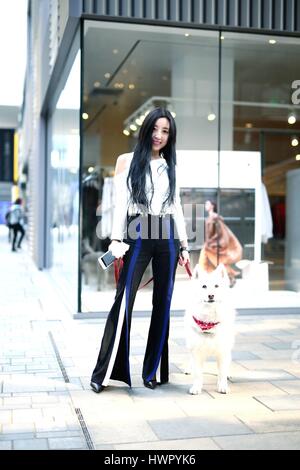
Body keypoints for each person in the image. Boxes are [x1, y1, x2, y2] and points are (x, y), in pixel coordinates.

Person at [90, 107, 190, 393]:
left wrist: (184, 244)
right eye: (156, 129)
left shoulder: (172, 167)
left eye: (165, 131)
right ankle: (106, 374)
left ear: (170, 136)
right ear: (145, 129)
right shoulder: (127, 161)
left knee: (163, 302)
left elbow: (177, 207)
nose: (159, 136)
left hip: (167, 234)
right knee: (123, 301)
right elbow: (121, 204)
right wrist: (116, 240)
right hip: (137, 230)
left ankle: (153, 372)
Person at [198, 200, 242, 285]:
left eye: (207, 204)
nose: (205, 205)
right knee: (211, 261)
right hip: (209, 245)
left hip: (213, 245)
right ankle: (227, 277)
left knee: (215, 262)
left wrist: (211, 242)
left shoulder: (215, 218)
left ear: (212, 206)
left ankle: (229, 277)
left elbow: (220, 232)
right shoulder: (210, 217)